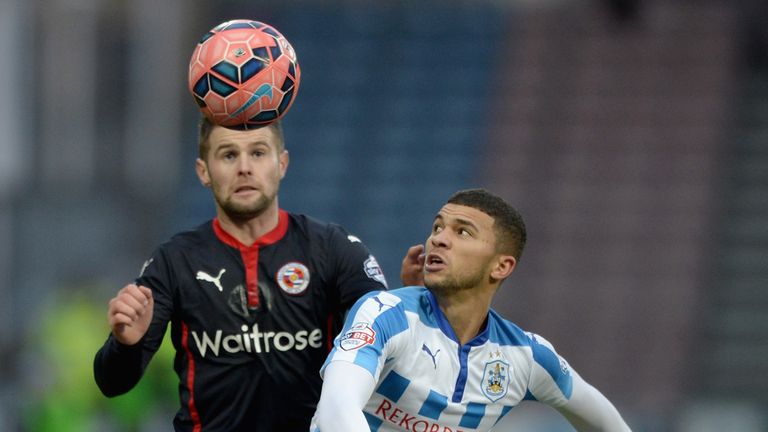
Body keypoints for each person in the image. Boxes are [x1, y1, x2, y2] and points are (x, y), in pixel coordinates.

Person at [93, 117, 400, 431]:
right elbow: (112, 383)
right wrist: (126, 345)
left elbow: (391, 351)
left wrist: (413, 306)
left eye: (258, 153)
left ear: (282, 163)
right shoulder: (174, 261)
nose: (244, 168)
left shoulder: (332, 249)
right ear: (204, 172)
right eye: (228, 155)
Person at [311, 188, 631, 431]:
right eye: (437, 227)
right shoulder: (386, 314)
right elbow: (336, 408)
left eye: (462, 232)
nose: (439, 240)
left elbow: (608, 425)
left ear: (501, 266)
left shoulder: (525, 357)